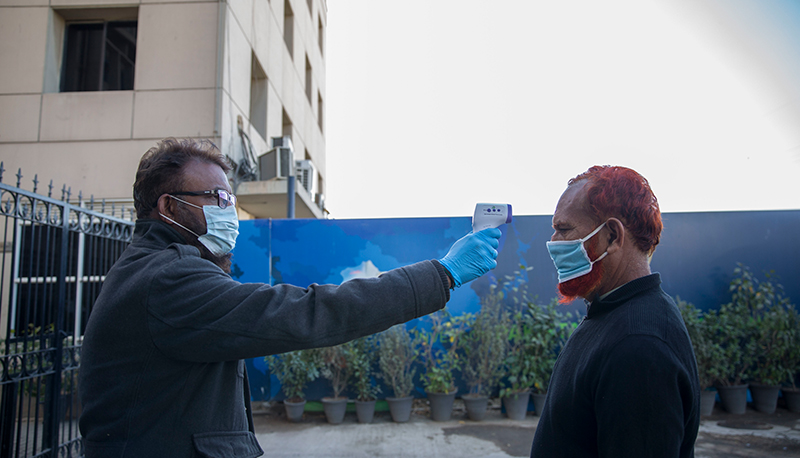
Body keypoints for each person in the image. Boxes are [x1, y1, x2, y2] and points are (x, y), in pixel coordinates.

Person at [78, 138, 502, 458]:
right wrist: (442, 274)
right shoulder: (168, 278)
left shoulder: (158, 268)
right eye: (218, 198)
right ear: (169, 207)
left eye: (232, 198)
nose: (229, 209)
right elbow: (305, 313)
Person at [530, 166, 700, 458]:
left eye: (564, 228)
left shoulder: (640, 345)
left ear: (612, 235)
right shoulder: (611, 310)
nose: (553, 242)